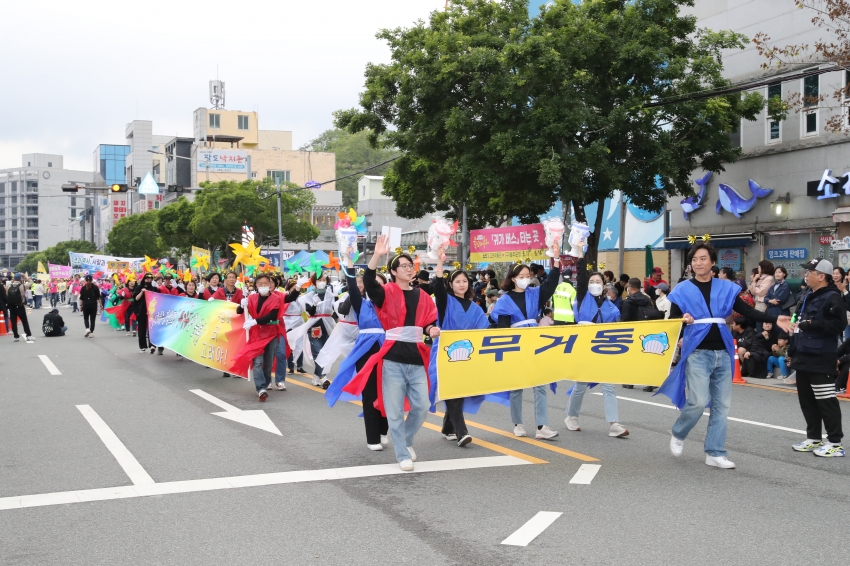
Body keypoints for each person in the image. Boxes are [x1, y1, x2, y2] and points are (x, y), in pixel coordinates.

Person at [659, 242, 790, 469]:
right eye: (694, 259)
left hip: (723, 351)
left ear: (712, 262)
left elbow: (747, 311)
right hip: (697, 352)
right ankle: (679, 432)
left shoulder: (726, 287)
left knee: (722, 406)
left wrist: (773, 318)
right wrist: (684, 320)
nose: (698, 263)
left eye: (702, 259)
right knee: (698, 401)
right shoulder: (682, 289)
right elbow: (673, 320)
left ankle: (715, 452)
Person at [341, 234, 440, 471]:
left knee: (422, 406)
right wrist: (377, 254)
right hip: (392, 358)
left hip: (417, 358)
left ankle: (404, 440)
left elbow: (427, 321)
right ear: (394, 271)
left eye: (410, 265)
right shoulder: (386, 292)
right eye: (404, 266)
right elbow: (368, 281)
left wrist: (431, 328)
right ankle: (402, 453)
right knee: (394, 410)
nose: (409, 269)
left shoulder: (423, 296)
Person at [429, 252, 501, 447]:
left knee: (458, 389)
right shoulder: (445, 303)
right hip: (445, 352)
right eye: (457, 281)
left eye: (464, 281)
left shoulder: (475, 307)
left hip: (467, 354)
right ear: (450, 284)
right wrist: (439, 263)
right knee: (452, 388)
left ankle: (447, 427)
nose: (461, 284)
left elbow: (483, 331)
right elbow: (437, 286)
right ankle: (462, 432)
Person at [490, 246, 561, 440]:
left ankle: (542, 426)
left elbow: (552, 284)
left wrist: (555, 262)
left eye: (527, 275)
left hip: (535, 342)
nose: (525, 278)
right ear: (513, 278)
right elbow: (502, 329)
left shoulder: (534, 294)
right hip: (516, 343)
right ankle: (518, 423)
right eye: (521, 275)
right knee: (517, 386)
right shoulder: (504, 301)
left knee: (539, 384)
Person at [325, 260, 389, 451]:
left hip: (389, 348)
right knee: (370, 392)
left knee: (388, 391)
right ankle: (372, 437)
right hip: (366, 350)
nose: (374, 287)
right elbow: (353, 287)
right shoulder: (361, 304)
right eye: (371, 284)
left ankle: (383, 429)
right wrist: (350, 266)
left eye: (378, 283)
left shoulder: (391, 305)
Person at [566, 248, 628, 437]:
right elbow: (582, 278)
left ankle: (614, 423)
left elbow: (617, 329)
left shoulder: (611, 307)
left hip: (603, 348)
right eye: (591, 281)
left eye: (598, 281)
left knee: (608, 385)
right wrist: (581, 255)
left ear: (605, 285)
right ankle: (571, 416)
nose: (594, 284)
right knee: (581, 385)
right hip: (584, 347)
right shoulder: (583, 298)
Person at [788, 258, 845, 457]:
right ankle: (813, 438)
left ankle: (835, 442)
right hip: (803, 353)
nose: (806, 274)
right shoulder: (806, 295)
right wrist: (792, 348)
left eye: (810, 272)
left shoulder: (832, 297)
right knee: (807, 400)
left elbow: (839, 326)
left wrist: (813, 324)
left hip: (822, 355)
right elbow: (797, 320)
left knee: (826, 399)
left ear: (821, 276)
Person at [230, 273, 285, 401]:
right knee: (258, 361)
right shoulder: (252, 297)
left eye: (266, 283)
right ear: (256, 285)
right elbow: (239, 311)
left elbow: (272, 315)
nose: (263, 286)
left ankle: (265, 384)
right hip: (257, 334)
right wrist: (242, 305)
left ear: (270, 284)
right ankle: (260, 388)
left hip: (271, 333)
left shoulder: (276, 298)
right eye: (260, 284)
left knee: (268, 362)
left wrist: (255, 321)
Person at [288, 272, 336, 388]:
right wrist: (314, 305)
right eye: (319, 280)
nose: (322, 282)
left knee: (325, 353)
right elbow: (310, 313)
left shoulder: (331, 295)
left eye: (324, 280)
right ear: (314, 282)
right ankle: (323, 377)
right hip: (314, 326)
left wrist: (337, 297)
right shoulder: (308, 296)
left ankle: (316, 375)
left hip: (328, 325)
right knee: (317, 351)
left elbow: (337, 310)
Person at [282, 279, 307, 374]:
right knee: (290, 345)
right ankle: (291, 366)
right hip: (287, 322)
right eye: (293, 288)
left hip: (299, 322)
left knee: (300, 344)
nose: (295, 290)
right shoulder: (285, 297)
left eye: (297, 288)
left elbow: (304, 310)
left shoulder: (301, 298)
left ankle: (300, 366)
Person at [7, 274, 33, 342]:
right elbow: (31, 283)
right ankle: (29, 335)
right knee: (24, 321)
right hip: (20, 306)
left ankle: (16, 337)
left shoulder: (9, 285)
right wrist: (26, 277)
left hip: (11, 306)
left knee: (13, 322)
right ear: (20, 279)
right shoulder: (22, 286)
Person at [134, 273, 155, 353]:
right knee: (142, 329)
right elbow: (136, 298)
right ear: (144, 279)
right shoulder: (139, 288)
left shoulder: (152, 288)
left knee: (152, 328)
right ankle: (142, 346)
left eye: (150, 279)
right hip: (141, 310)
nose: (148, 280)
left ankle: (152, 345)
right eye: (147, 278)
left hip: (151, 310)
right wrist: (142, 292)